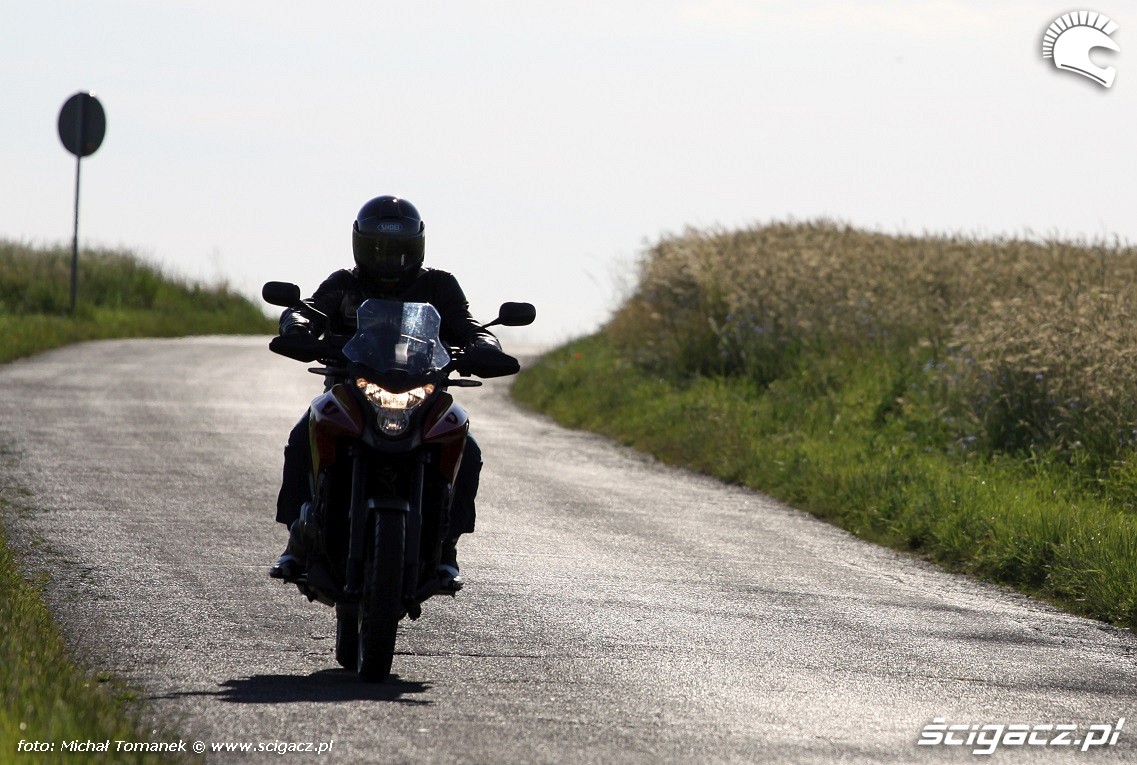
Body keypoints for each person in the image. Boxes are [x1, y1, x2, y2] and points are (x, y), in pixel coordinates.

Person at [269, 195, 502, 590]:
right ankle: (297, 537)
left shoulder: (438, 285)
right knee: (302, 433)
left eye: (399, 248)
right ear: (361, 246)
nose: (390, 257)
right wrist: (297, 328)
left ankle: (446, 547)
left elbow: (468, 325)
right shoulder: (344, 283)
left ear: (417, 246)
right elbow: (307, 309)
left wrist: (485, 347)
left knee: (468, 447)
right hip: (350, 390)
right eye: (379, 247)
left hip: (423, 391)